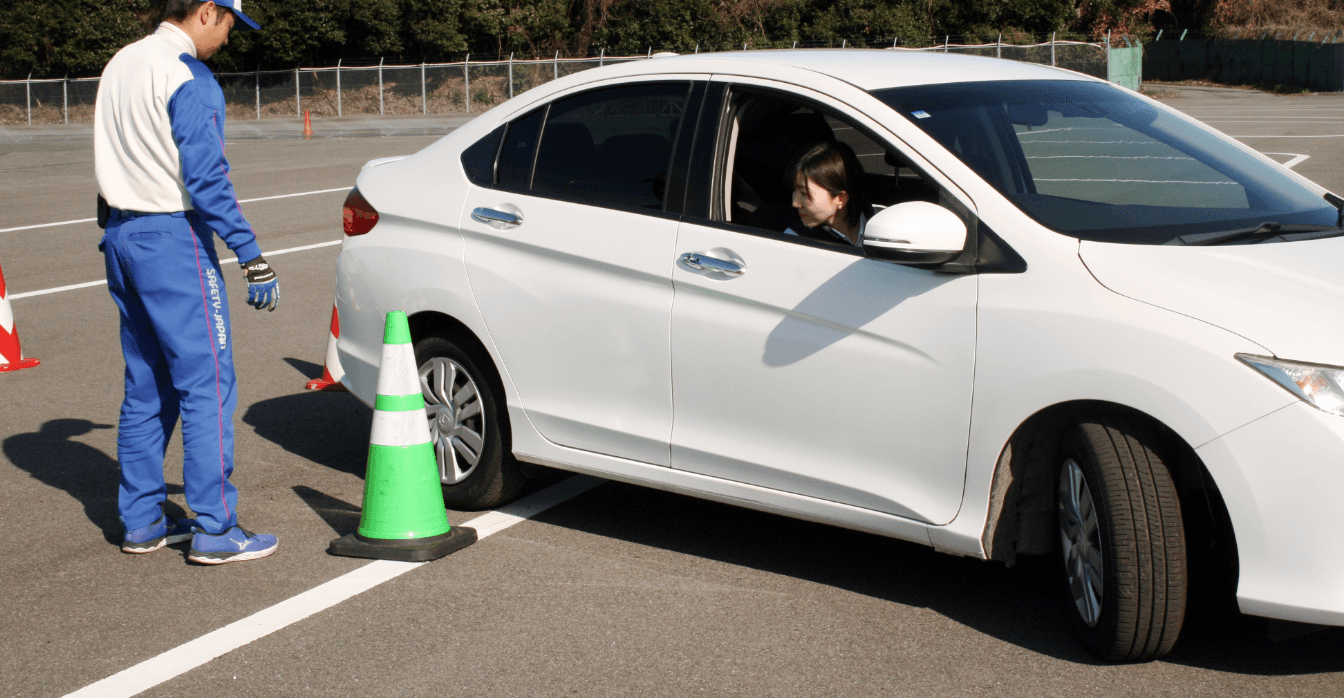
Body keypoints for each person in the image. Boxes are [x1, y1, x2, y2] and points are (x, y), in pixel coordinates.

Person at [94, 0, 279, 564]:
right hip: (173, 239)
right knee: (209, 383)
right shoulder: (187, 75)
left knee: (147, 385)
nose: (227, 38)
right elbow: (206, 177)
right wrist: (251, 254)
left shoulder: (120, 62)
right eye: (228, 25)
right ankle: (217, 529)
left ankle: (143, 521)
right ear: (207, 11)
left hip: (121, 236)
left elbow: (111, 155)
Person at [783, 141, 873, 247]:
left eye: (804, 193)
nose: (795, 203)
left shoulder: (873, 220)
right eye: (794, 190)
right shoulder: (796, 241)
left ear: (840, 199)